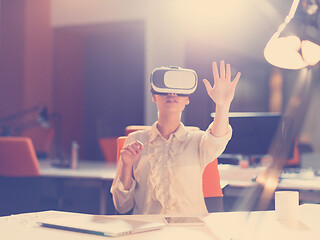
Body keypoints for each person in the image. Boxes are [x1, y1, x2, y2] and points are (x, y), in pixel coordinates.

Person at [111, 60, 241, 215]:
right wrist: (127, 166)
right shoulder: (134, 141)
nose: (172, 94)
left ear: (187, 99)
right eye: (165, 90)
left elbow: (218, 138)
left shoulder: (198, 141)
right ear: (154, 96)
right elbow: (121, 206)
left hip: (190, 230)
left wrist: (222, 105)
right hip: (146, 230)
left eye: (179, 91)